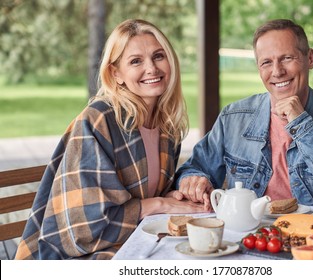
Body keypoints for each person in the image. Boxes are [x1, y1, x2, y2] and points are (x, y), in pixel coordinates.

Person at [15, 19, 208, 260]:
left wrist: (170, 198)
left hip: (136, 242)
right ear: (116, 74)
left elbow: (148, 197)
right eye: (136, 61)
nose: (152, 69)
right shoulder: (100, 119)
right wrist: (158, 205)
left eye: (158, 56)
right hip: (78, 256)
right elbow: (83, 230)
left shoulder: (166, 127)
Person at [175, 19, 313, 208]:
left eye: (287, 58)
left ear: (310, 58)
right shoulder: (233, 118)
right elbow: (195, 168)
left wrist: (303, 126)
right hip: (253, 235)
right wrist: (193, 181)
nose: (277, 71)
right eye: (266, 63)